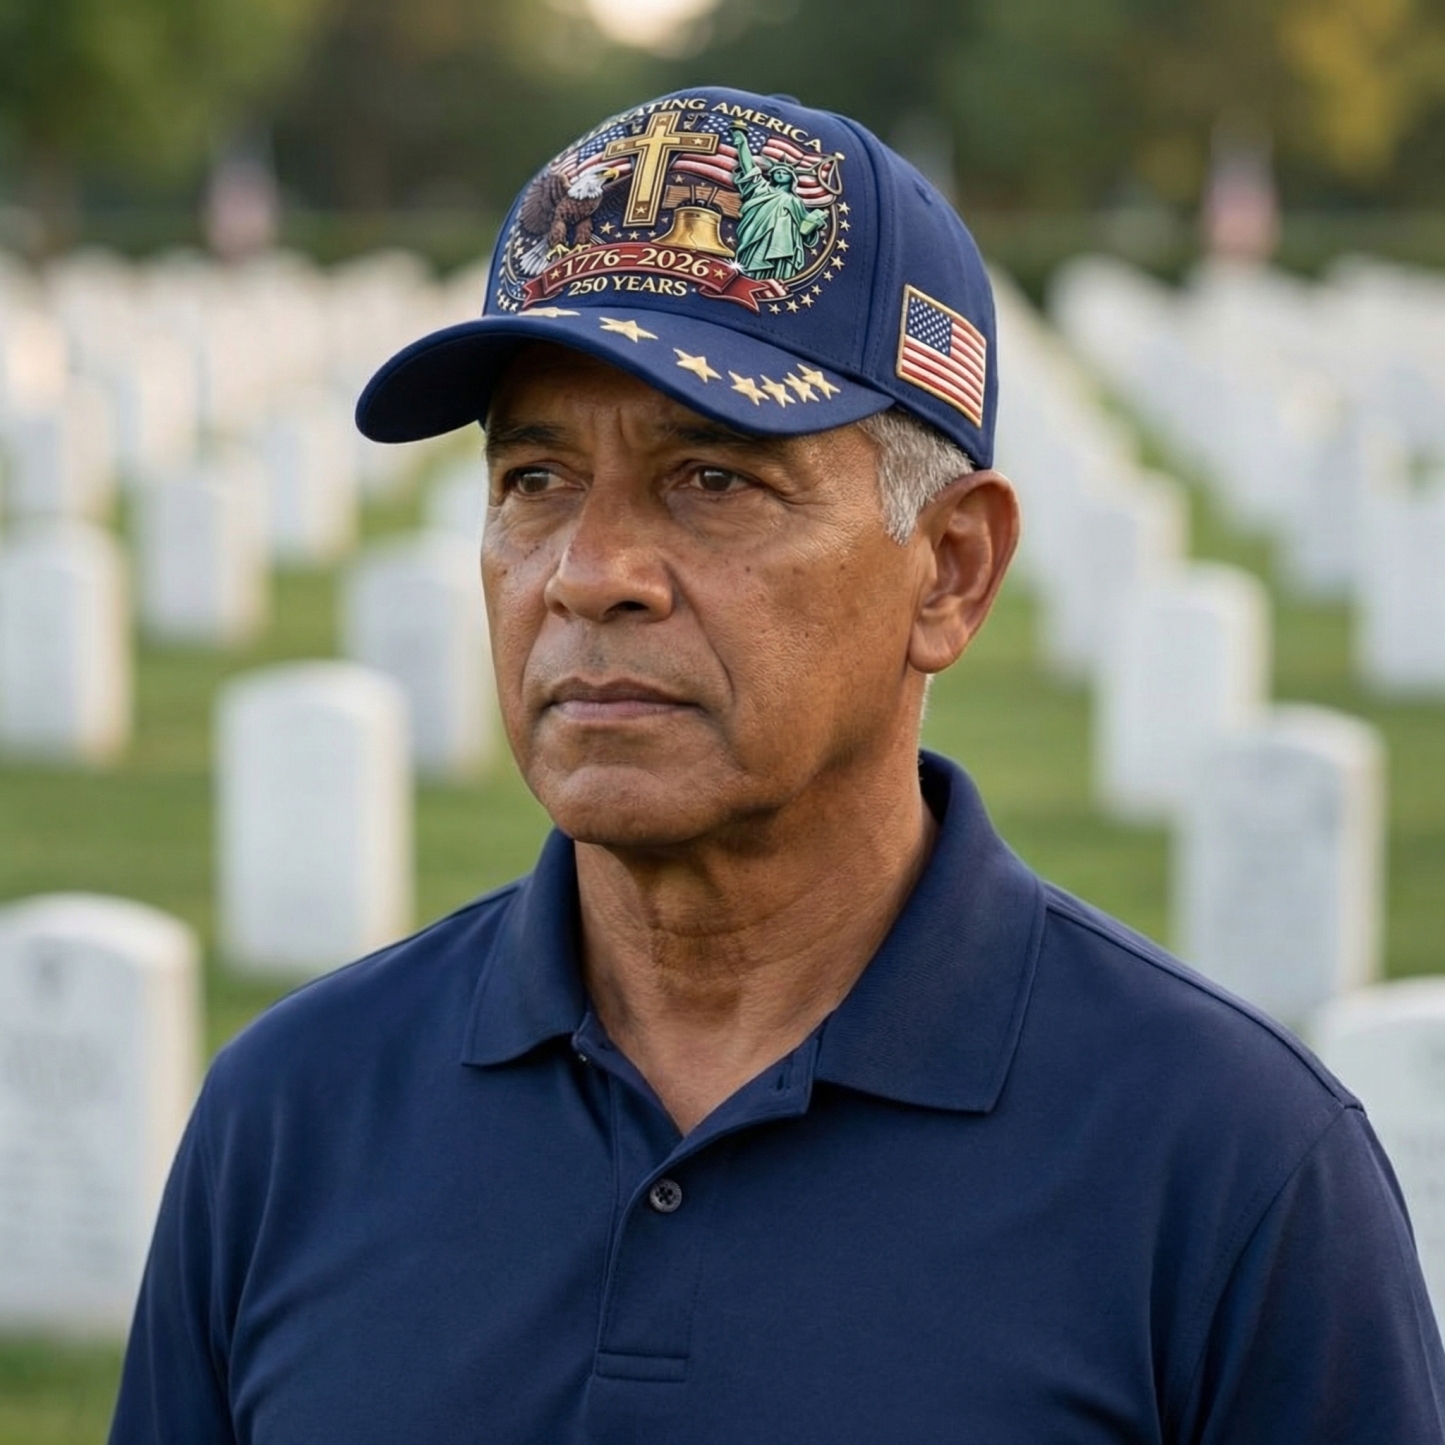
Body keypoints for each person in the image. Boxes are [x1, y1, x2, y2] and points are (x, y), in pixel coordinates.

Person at [110, 86, 1445, 1444]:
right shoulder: (291, 1114)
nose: (589, 573)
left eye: (713, 478)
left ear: (951, 570)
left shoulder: (1228, 1168)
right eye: (533, 479)